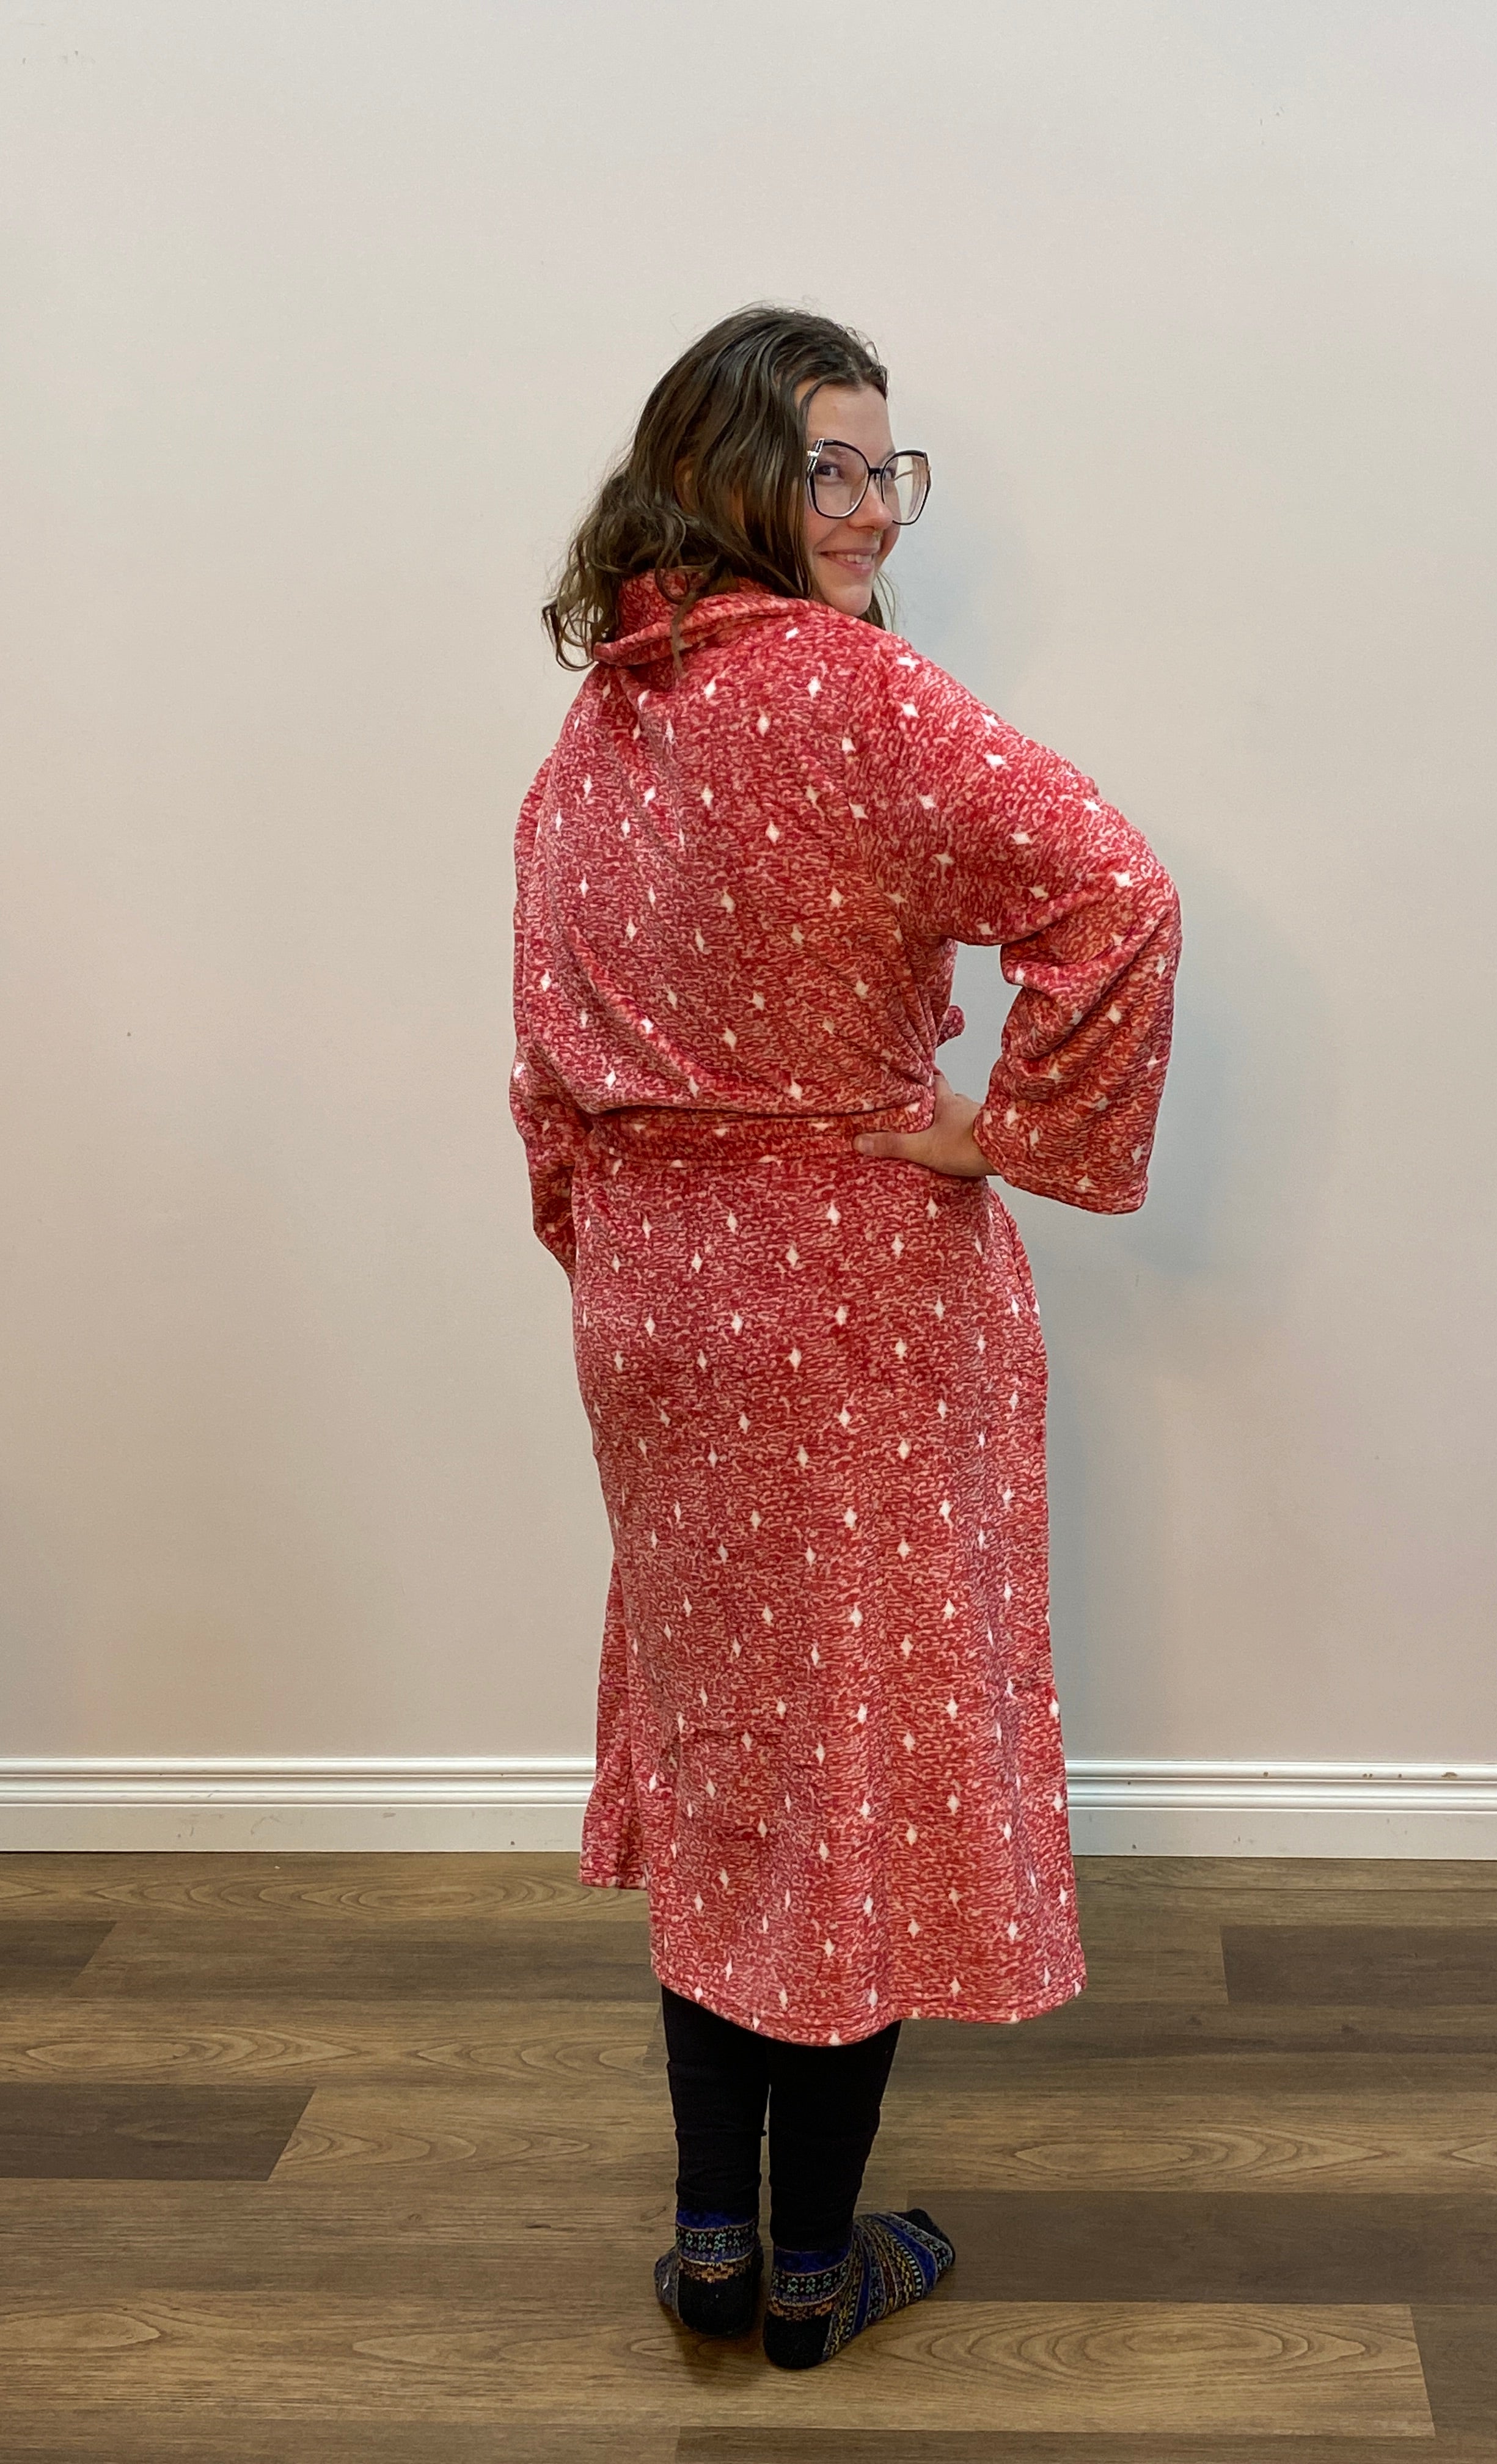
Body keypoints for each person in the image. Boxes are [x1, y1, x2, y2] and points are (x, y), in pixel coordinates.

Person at [510, 304, 1182, 2367]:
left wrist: (622, 1251)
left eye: (893, 469)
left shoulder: (591, 734)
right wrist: (1013, 1135)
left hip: (656, 1319)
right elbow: (1120, 890)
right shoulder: (853, 702)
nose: (874, 508)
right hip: (860, 1310)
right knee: (859, 1772)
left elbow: (543, 1073)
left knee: (734, 1768)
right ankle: (809, 2267)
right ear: (725, 475)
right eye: (833, 466)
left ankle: (709, 2245)